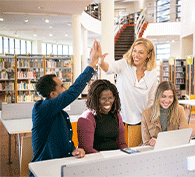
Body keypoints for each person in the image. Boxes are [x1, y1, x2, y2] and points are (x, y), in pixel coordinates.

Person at [30, 39, 101, 169]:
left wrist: (73, 150)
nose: (65, 89)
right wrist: (92, 64)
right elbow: (72, 92)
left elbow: (63, 140)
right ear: (52, 94)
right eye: (62, 86)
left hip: (61, 166)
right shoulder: (42, 109)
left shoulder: (60, 113)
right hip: (45, 169)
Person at [98, 38, 158, 126]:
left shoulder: (152, 74)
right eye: (134, 51)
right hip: (120, 117)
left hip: (141, 119)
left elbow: (151, 100)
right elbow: (108, 69)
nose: (136, 55)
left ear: (148, 55)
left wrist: (147, 119)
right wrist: (100, 62)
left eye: (141, 52)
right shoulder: (124, 64)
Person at [77, 79, 127, 154]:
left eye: (110, 98)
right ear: (95, 99)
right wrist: (107, 159)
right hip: (97, 161)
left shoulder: (116, 115)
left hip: (115, 159)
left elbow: (122, 144)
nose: (107, 102)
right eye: (103, 99)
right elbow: (88, 150)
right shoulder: (86, 119)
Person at [141, 81, 189, 146]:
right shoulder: (146, 113)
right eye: (163, 96)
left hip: (174, 149)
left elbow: (185, 137)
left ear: (174, 98)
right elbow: (146, 142)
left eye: (170, 97)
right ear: (158, 96)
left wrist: (160, 142)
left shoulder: (180, 110)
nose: (167, 100)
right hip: (154, 151)